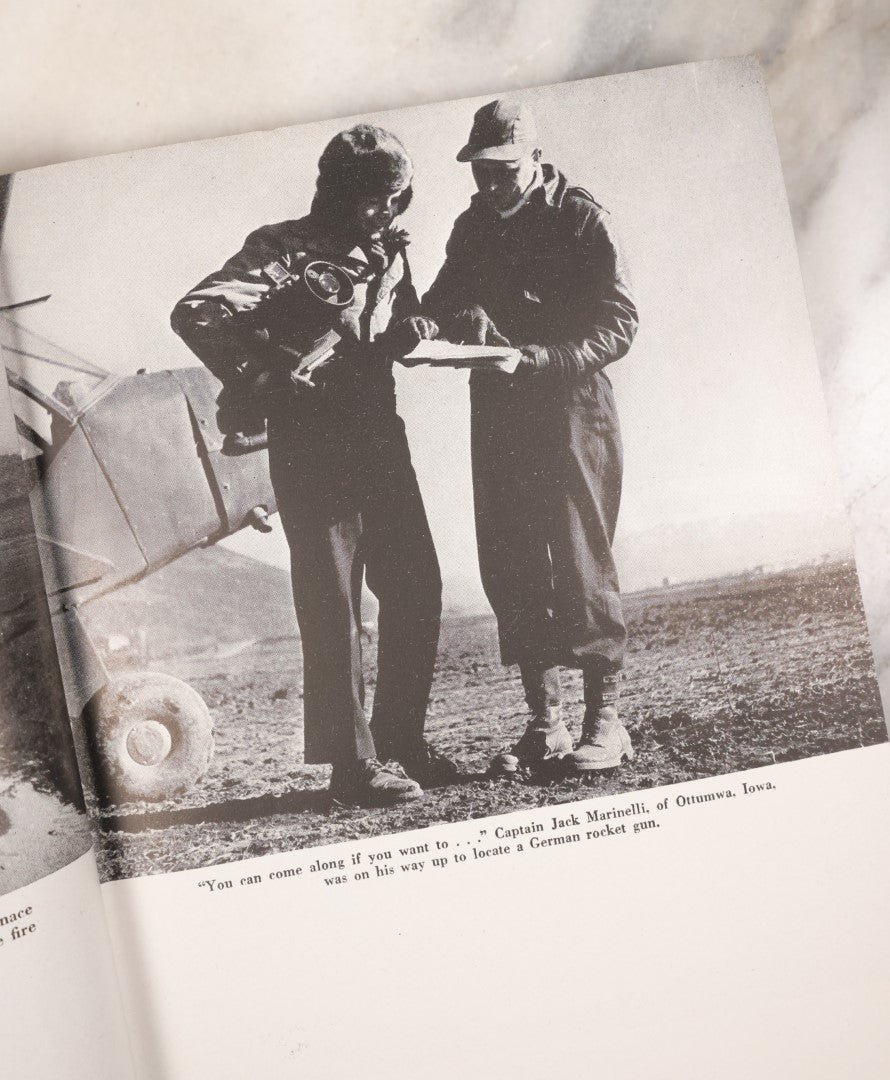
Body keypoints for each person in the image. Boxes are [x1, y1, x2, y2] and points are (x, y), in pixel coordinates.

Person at [171, 124, 456, 806]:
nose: (388, 211)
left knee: (417, 585)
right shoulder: (282, 248)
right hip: (313, 441)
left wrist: (413, 327)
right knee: (333, 603)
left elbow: (391, 321)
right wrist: (264, 375)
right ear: (337, 194)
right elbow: (198, 311)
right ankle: (352, 767)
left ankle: (401, 744)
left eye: (395, 198)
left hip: (378, 434)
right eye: (375, 199)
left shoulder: (388, 251)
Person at [422, 98, 639, 778]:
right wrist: (454, 317)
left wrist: (542, 358)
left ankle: (607, 721)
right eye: (481, 173)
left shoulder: (579, 216)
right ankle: (546, 723)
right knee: (511, 561)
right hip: (499, 412)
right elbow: (437, 305)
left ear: (534, 160)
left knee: (580, 561)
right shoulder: (471, 227)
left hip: (573, 407)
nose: (491, 185)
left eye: (504, 171)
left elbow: (620, 322)